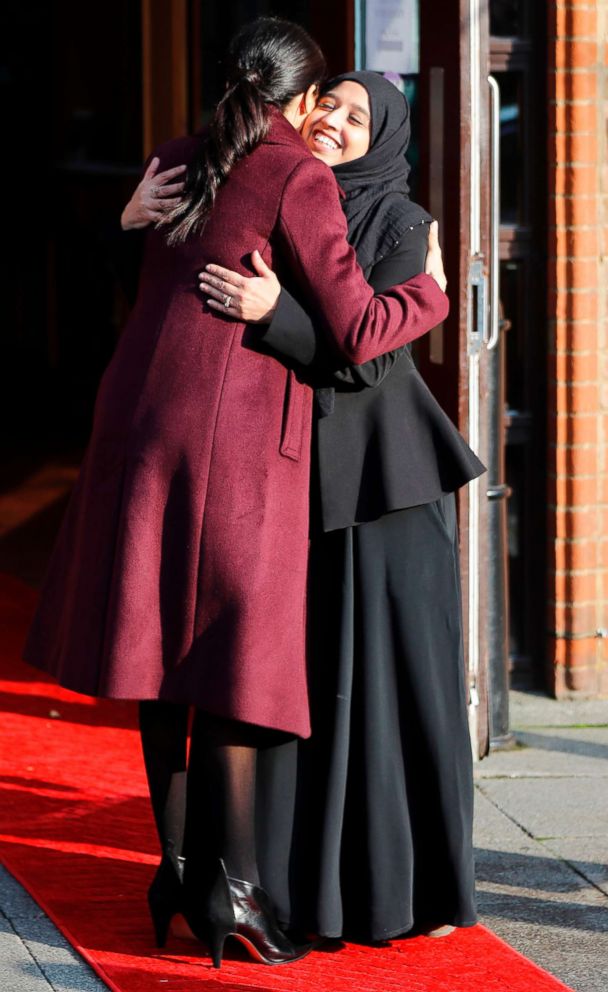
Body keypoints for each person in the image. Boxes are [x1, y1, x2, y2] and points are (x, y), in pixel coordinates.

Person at [24, 20, 449, 968]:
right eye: (322, 104)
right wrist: (429, 293)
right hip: (230, 444)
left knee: (155, 648)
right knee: (234, 660)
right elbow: (354, 327)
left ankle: (176, 867)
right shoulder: (294, 172)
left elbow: (146, 252)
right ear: (299, 101)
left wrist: (124, 222)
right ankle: (237, 889)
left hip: (137, 425)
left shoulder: (179, 153)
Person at [197, 71, 485, 942]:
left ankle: (409, 897)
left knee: (394, 699)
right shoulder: (292, 194)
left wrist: (277, 313)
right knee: (310, 690)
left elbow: (362, 360)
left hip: (389, 498)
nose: (335, 121)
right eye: (330, 103)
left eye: (359, 116)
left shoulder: (405, 226)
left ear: (387, 135)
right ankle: (297, 895)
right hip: (301, 487)